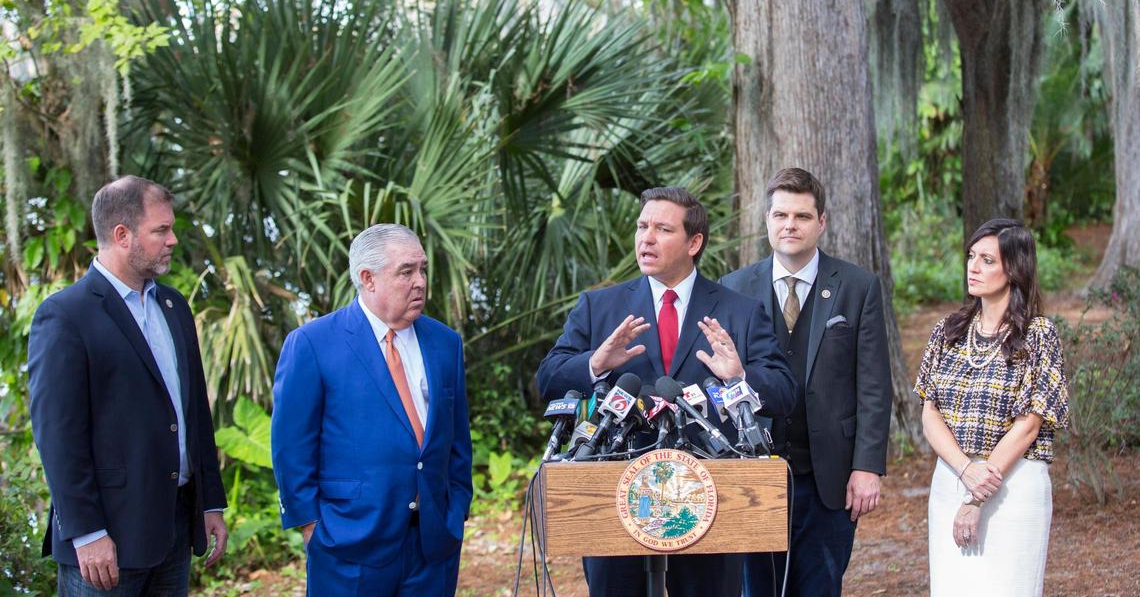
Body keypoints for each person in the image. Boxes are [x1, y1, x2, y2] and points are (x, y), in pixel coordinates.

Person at [537, 186, 796, 597]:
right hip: (615, 493)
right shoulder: (598, 307)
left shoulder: (739, 312)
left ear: (694, 243)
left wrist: (739, 377)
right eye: (642, 226)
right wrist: (595, 363)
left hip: (709, 495)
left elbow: (784, 391)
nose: (646, 238)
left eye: (662, 228)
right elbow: (547, 378)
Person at [28, 176, 228, 595]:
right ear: (122, 235)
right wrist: (86, 532)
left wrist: (210, 502)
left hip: (173, 529)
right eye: (161, 230)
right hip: (107, 543)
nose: (172, 239)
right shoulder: (65, 315)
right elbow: (58, 436)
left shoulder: (174, 307)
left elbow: (192, 413)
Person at [272, 224, 473, 596]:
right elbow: (291, 446)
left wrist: (457, 505)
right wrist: (311, 527)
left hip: (432, 544)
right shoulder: (313, 344)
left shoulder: (445, 343)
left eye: (422, 269)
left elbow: (457, 438)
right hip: (349, 544)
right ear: (368, 279)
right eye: (406, 271)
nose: (420, 282)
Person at [719, 167, 891, 597]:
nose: (789, 225)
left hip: (828, 478)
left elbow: (874, 384)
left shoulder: (858, 286)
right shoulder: (734, 289)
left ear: (822, 222)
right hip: (753, 477)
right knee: (755, 589)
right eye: (780, 215)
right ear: (767, 221)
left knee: (820, 588)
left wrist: (867, 466)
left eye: (801, 216)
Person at [914, 218, 1069, 596]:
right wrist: (965, 471)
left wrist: (978, 492)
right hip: (951, 478)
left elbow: (1029, 424)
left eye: (987, 260)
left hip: (1013, 486)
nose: (973, 266)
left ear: (1013, 270)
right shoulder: (948, 330)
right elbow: (929, 412)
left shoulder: (1038, 335)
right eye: (971, 257)